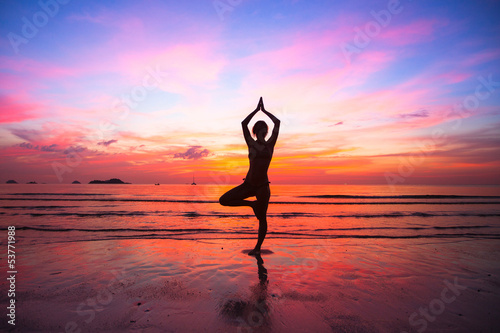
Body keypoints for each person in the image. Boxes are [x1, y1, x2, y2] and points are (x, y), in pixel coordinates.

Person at [219, 97, 280, 255]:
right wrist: (255, 111)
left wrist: (265, 111)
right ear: (257, 131)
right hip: (248, 184)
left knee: (262, 218)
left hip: (262, 187)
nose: (263, 132)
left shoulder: (270, 145)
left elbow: (277, 123)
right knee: (223, 200)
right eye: (261, 130)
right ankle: (251, 205)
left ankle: (257, 248)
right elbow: (243, 124)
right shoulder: (251, 143)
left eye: (264, 130)